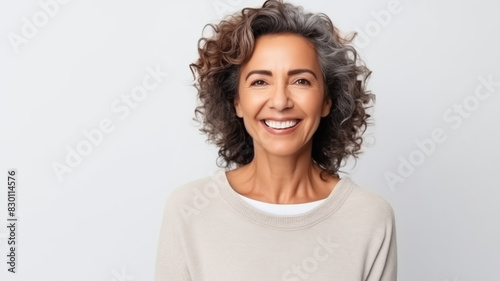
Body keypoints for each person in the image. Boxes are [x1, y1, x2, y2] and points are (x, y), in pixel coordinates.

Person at [155, 0, 397, 280]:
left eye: (301, 81)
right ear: (237, 102)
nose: (280, 101)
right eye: (260, 82)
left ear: (327, 101)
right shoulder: (188, 209)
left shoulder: (370, 217)